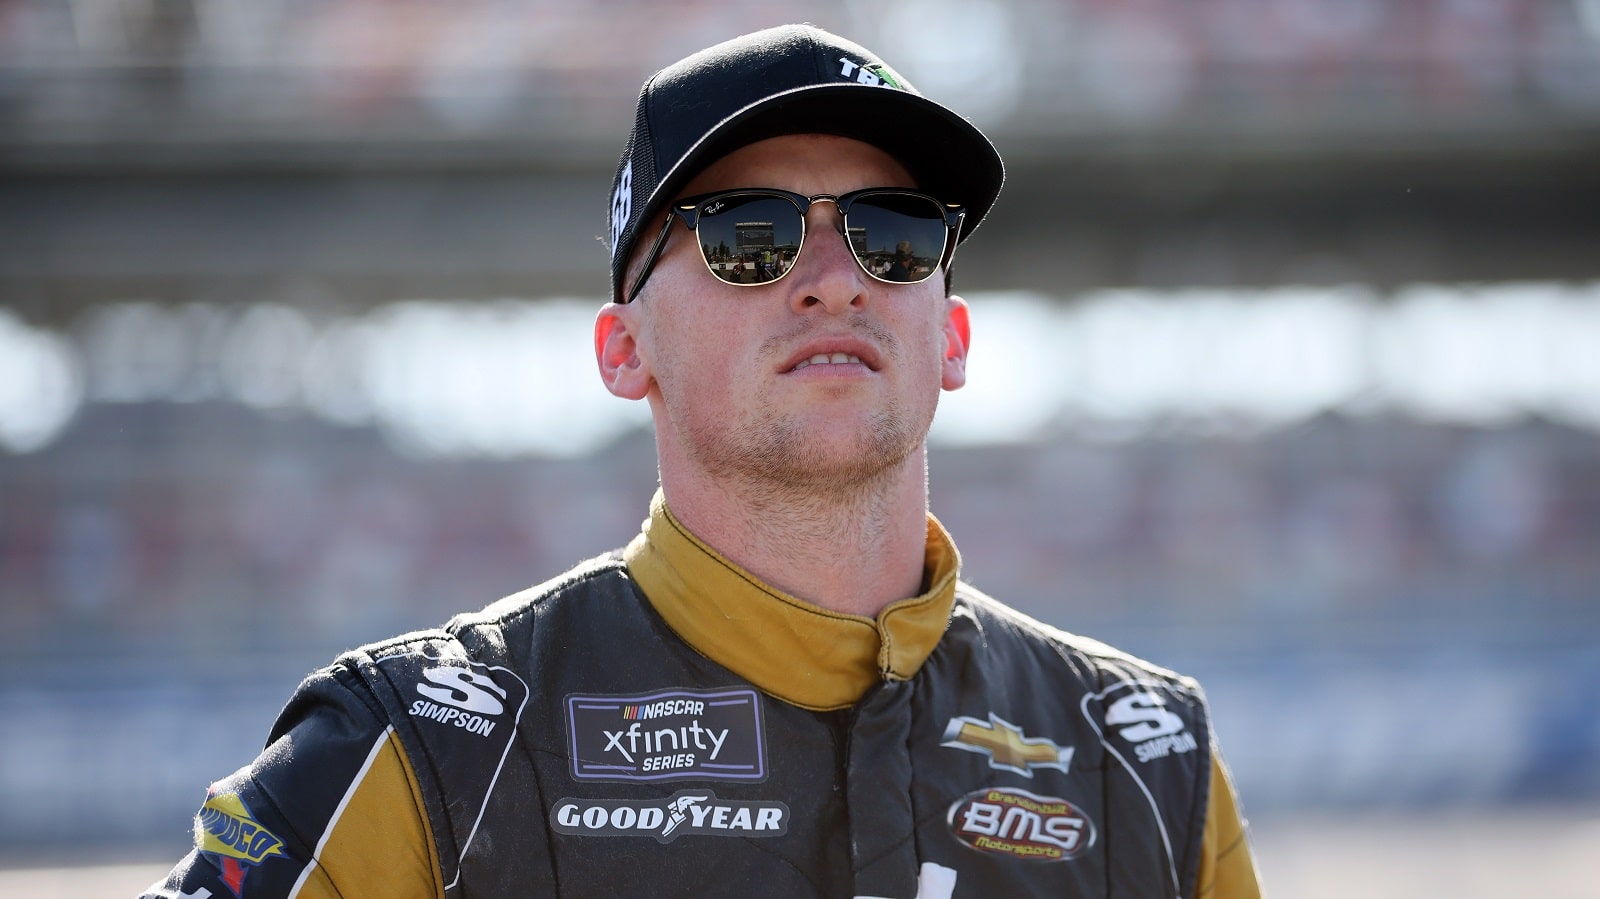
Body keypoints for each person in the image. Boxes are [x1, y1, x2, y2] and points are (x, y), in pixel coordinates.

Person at [143, 24, 1260, 899]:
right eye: (748, 235)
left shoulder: (1146, 761)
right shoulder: (425, 745)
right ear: (625, 351)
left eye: (897, 232)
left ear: (952, 339)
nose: (835, 277)